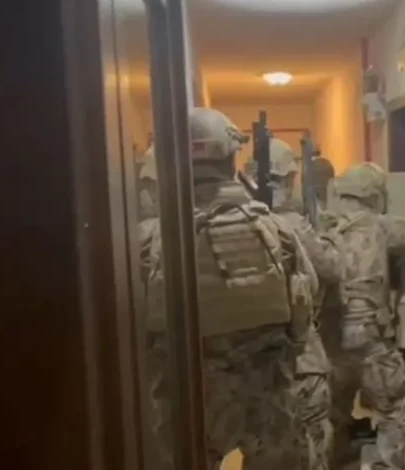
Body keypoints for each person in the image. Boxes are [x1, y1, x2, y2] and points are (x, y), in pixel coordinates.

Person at [141, 107, 316, 469]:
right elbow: (303, 317)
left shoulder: (147, 240)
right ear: (231, 158)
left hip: (182, 401)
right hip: (266, 396)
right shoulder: (277, 230)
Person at [243, 138, 343, 470]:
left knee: (263, 452)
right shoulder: (293, 224)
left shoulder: (236, 220)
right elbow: (333, 266)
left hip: (249, 362)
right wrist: (325, 229)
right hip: (301, 359)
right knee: (311, 444)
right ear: (286, 180)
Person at [326, 162, 405, 469]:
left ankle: (333, 460)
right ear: (374, 195)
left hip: (332, 344)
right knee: (394, 410)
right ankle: (391, 463)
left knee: (333, 412)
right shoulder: (380, 226)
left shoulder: (325, 230)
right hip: (370, 341)